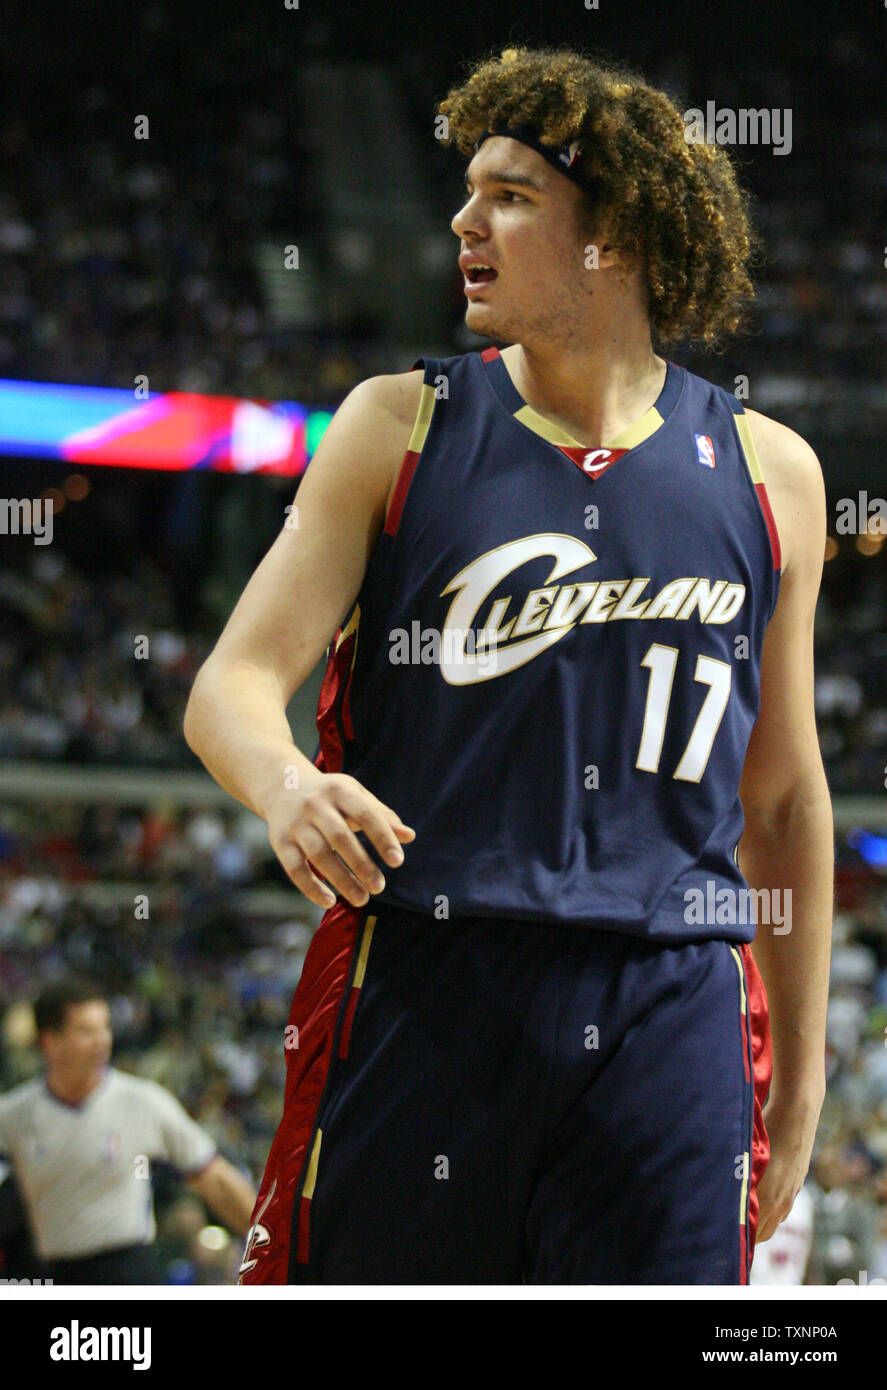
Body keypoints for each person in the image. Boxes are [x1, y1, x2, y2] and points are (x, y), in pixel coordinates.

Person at [184, 46, 833, 1284]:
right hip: (430, 976)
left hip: (670, 999)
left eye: (512, 194)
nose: (462, 220)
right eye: (468, 188)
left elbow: (785, 799)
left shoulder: (772, 471)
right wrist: (285, 786)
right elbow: (229, 685)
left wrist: (800, 1083)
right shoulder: (399, 422)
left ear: (620, 231)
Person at [0, 980, 257, 1284]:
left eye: (105, 1027)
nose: (102, 1041)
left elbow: (214, 1178)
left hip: (128, 1271)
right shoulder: (14, 1116)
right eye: (86, 1031)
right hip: (51, 1274)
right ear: (50, 1041)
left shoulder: (143, 1102)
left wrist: (271, 1244)